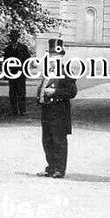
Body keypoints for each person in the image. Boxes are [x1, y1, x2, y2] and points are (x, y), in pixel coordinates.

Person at [37, 38, 77, 179]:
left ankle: (59, 169)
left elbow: (72, 92)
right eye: (51, 54)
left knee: (58, 140)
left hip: (59, 110)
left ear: (61, 56)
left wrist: (54, 92)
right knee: (47, 140)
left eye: (56, 55)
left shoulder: (67, 71)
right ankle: (51, 168)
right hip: (47, 109)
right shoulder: (48, 71)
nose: (53, 57)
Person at [2, 30, 32, 116]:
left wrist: (26, 71)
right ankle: (14, 110)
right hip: (11, 73)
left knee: (21, 92)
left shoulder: (23, 48)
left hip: (21, 73)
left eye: (15, 37)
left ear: (18, 37)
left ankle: (22, 110)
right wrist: (6, 73)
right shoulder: (7, 49)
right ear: (10, 38)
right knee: (12, 92)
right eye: (12, 37)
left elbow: (28, 60)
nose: (13, 38)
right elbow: (5, 62)